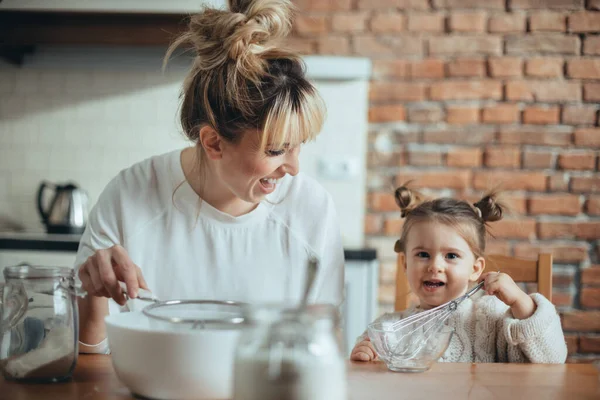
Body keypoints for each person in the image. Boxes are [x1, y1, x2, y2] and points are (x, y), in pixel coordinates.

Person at [75, 0, 344, 354]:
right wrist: (93, 295)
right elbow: (90, 361)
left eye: (299, 146)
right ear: (214, 142)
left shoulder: (312, 211)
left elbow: (322, 349)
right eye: (276, 150)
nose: (293, 168)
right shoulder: (129, 197)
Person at [351, 185, 567, 363]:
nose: (435, 266)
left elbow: (552, 360)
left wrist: (521, 303)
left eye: (451, 256)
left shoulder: (493, 318)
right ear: (405, 263)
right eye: (423, 254)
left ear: (475, 268)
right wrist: (364, 357)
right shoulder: (389, 330)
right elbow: (366, 379)